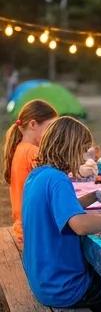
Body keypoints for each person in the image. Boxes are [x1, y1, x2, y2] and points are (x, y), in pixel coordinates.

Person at [21, 116, 101, 312]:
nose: (85, 157)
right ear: (70, 149)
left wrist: (94, 195)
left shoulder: (39, 174)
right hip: (64, 287)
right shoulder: (58, 180)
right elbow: (80, 225)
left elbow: (59, 211)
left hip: (42, 278)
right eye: (83, 151)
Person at [3, 98, 58, 244]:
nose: (52, 134)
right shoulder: (33, 152)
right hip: (32, 231)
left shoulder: (20, 148)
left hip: (22, 226)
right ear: (33, 124)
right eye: (50, 127)